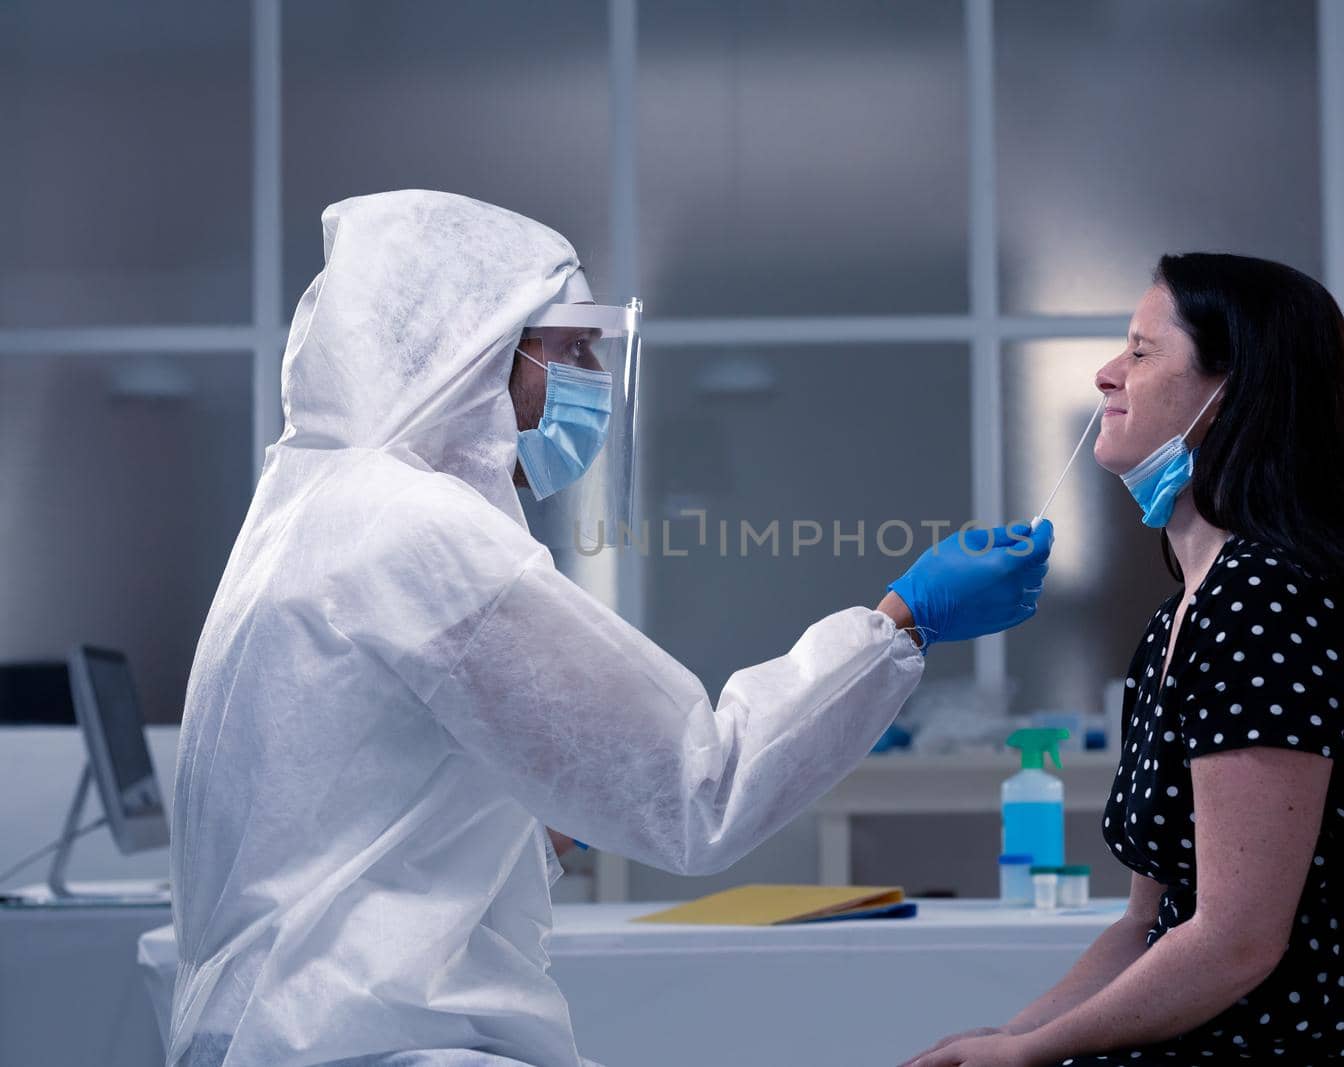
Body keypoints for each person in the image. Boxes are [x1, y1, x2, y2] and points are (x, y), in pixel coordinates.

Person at [167, 189, 1052, 1067]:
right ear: (471, 352)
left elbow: (360, 829)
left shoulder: (305, 509)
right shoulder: (422, 532)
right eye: (572, 346)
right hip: (375, 1043)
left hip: (268, 1031)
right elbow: (703, 784)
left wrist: (573, 801)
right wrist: (904, 621)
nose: (591, 377)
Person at [902, 253, 1344, 1067]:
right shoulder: (1182, 617)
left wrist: (1032, 1055)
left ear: (1231, 392)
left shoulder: (1266, 604)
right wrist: (1006, 1037)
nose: (1107, 373)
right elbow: (1150, 922)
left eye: (1140, 351)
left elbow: (1235, 941)